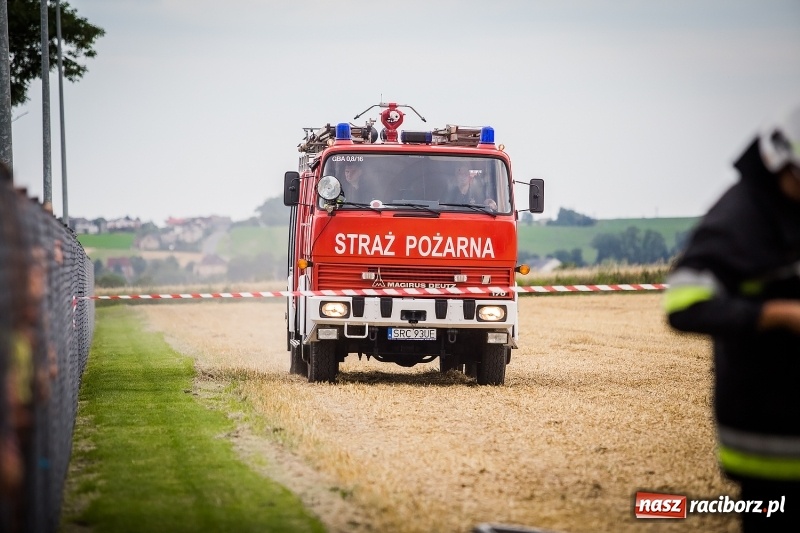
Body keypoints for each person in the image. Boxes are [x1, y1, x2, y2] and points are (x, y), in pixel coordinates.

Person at [664, 105, 800, 532]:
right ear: (779, 159)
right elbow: (683, 304)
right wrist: (775, 314)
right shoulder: (740, 217)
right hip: (770, 440)